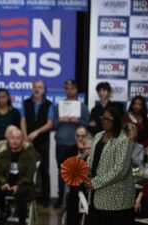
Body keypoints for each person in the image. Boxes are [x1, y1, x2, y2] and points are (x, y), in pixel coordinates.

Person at [85, 107, 135, 225]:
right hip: (96, 195)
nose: (105, 121)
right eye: (104, 118)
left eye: (109, 119)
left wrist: (95, 182)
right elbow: (91, 159)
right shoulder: (98, 135)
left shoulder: (124, 140)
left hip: (116, 199)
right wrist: (85, 175)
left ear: (117, 121)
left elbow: (120, 170)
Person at [53, 79, 89, 207]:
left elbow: (87, 124)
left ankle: (72, 200)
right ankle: (60, 198)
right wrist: (60, 120)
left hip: (77, 144)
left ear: (76, 90)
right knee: (61, 171)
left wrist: (77, 121)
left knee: (76, 172)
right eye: (67, 89)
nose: (70, 91)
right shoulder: (58, 106)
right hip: (61, 143)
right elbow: (54, 126)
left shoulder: (83, 107)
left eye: (72, 88)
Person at [0, 128, 37, 225]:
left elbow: (29, 176)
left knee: (20, 193)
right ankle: (5, 210)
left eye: (18, 138)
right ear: (8, 140)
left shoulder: (29, 155)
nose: (15, 141)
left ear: (22, 140)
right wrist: (4, 182)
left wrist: (18, 185)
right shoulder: (3, 154)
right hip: (7, 183)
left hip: (24, 184)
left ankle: (22, 221)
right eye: (12, 138)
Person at [21, 80, 53, 206]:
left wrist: (36, 132)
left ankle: (45, 199)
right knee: (26, 169)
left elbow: (50, 123)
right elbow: (23, 120)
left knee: (44, 169)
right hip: (27, 141)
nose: (37, 89)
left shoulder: (49, 104)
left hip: (43, 141)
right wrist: (24, 138)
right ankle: (27, 198)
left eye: (40, 87)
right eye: (35, 87)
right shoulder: (26, 103)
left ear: (44, 90)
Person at [65, 132, 92, 225]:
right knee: (73, 191)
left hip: (95, 187)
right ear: (83, 149)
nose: (88, 151)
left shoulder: (99, 160)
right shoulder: (78, 159)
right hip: (80, 189)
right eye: (86, 148)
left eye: (90, 148)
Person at [0, 88, 21, 155]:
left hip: (11, 145)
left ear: (8, 98)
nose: (1, 99)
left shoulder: (15, 112)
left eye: (3, 97)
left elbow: (18, 128)